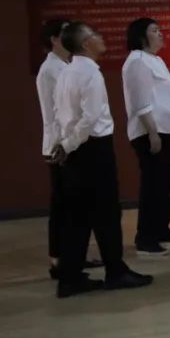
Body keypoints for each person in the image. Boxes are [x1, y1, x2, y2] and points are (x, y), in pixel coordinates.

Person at [54, 21, 153, 298]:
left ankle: (70, 277)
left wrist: (65, 143)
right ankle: (116, 271)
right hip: (93, 149)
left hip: (75, 149)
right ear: (86, 43)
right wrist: (70, 143)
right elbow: (90, 118)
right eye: (95, 35)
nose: (101, 37)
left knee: (77, 216)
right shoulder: (90, 73)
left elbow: (59, 113)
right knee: (106, 213)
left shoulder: (66, 71)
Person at [36, 18, 103, 280]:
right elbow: (55, 113)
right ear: (54, 39)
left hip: (68, 141)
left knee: (73, 203)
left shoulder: (66, 66)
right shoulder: (50, 70)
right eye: (64, 33)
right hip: (59, 144)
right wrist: (63, 144)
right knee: (62, 205)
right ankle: (58, 259)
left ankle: (73, 256)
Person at [122, 18, 170, 258]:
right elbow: (141, 101)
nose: (161, 34)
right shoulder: (137, 61)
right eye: (154, 30)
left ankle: (161, 229)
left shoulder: (155, 60)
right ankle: (146, 238)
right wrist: (152, 132)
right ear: (141, 36)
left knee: (163, 184)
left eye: (160, 29)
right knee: (153, 186)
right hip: (152, 133)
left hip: (169, 131)